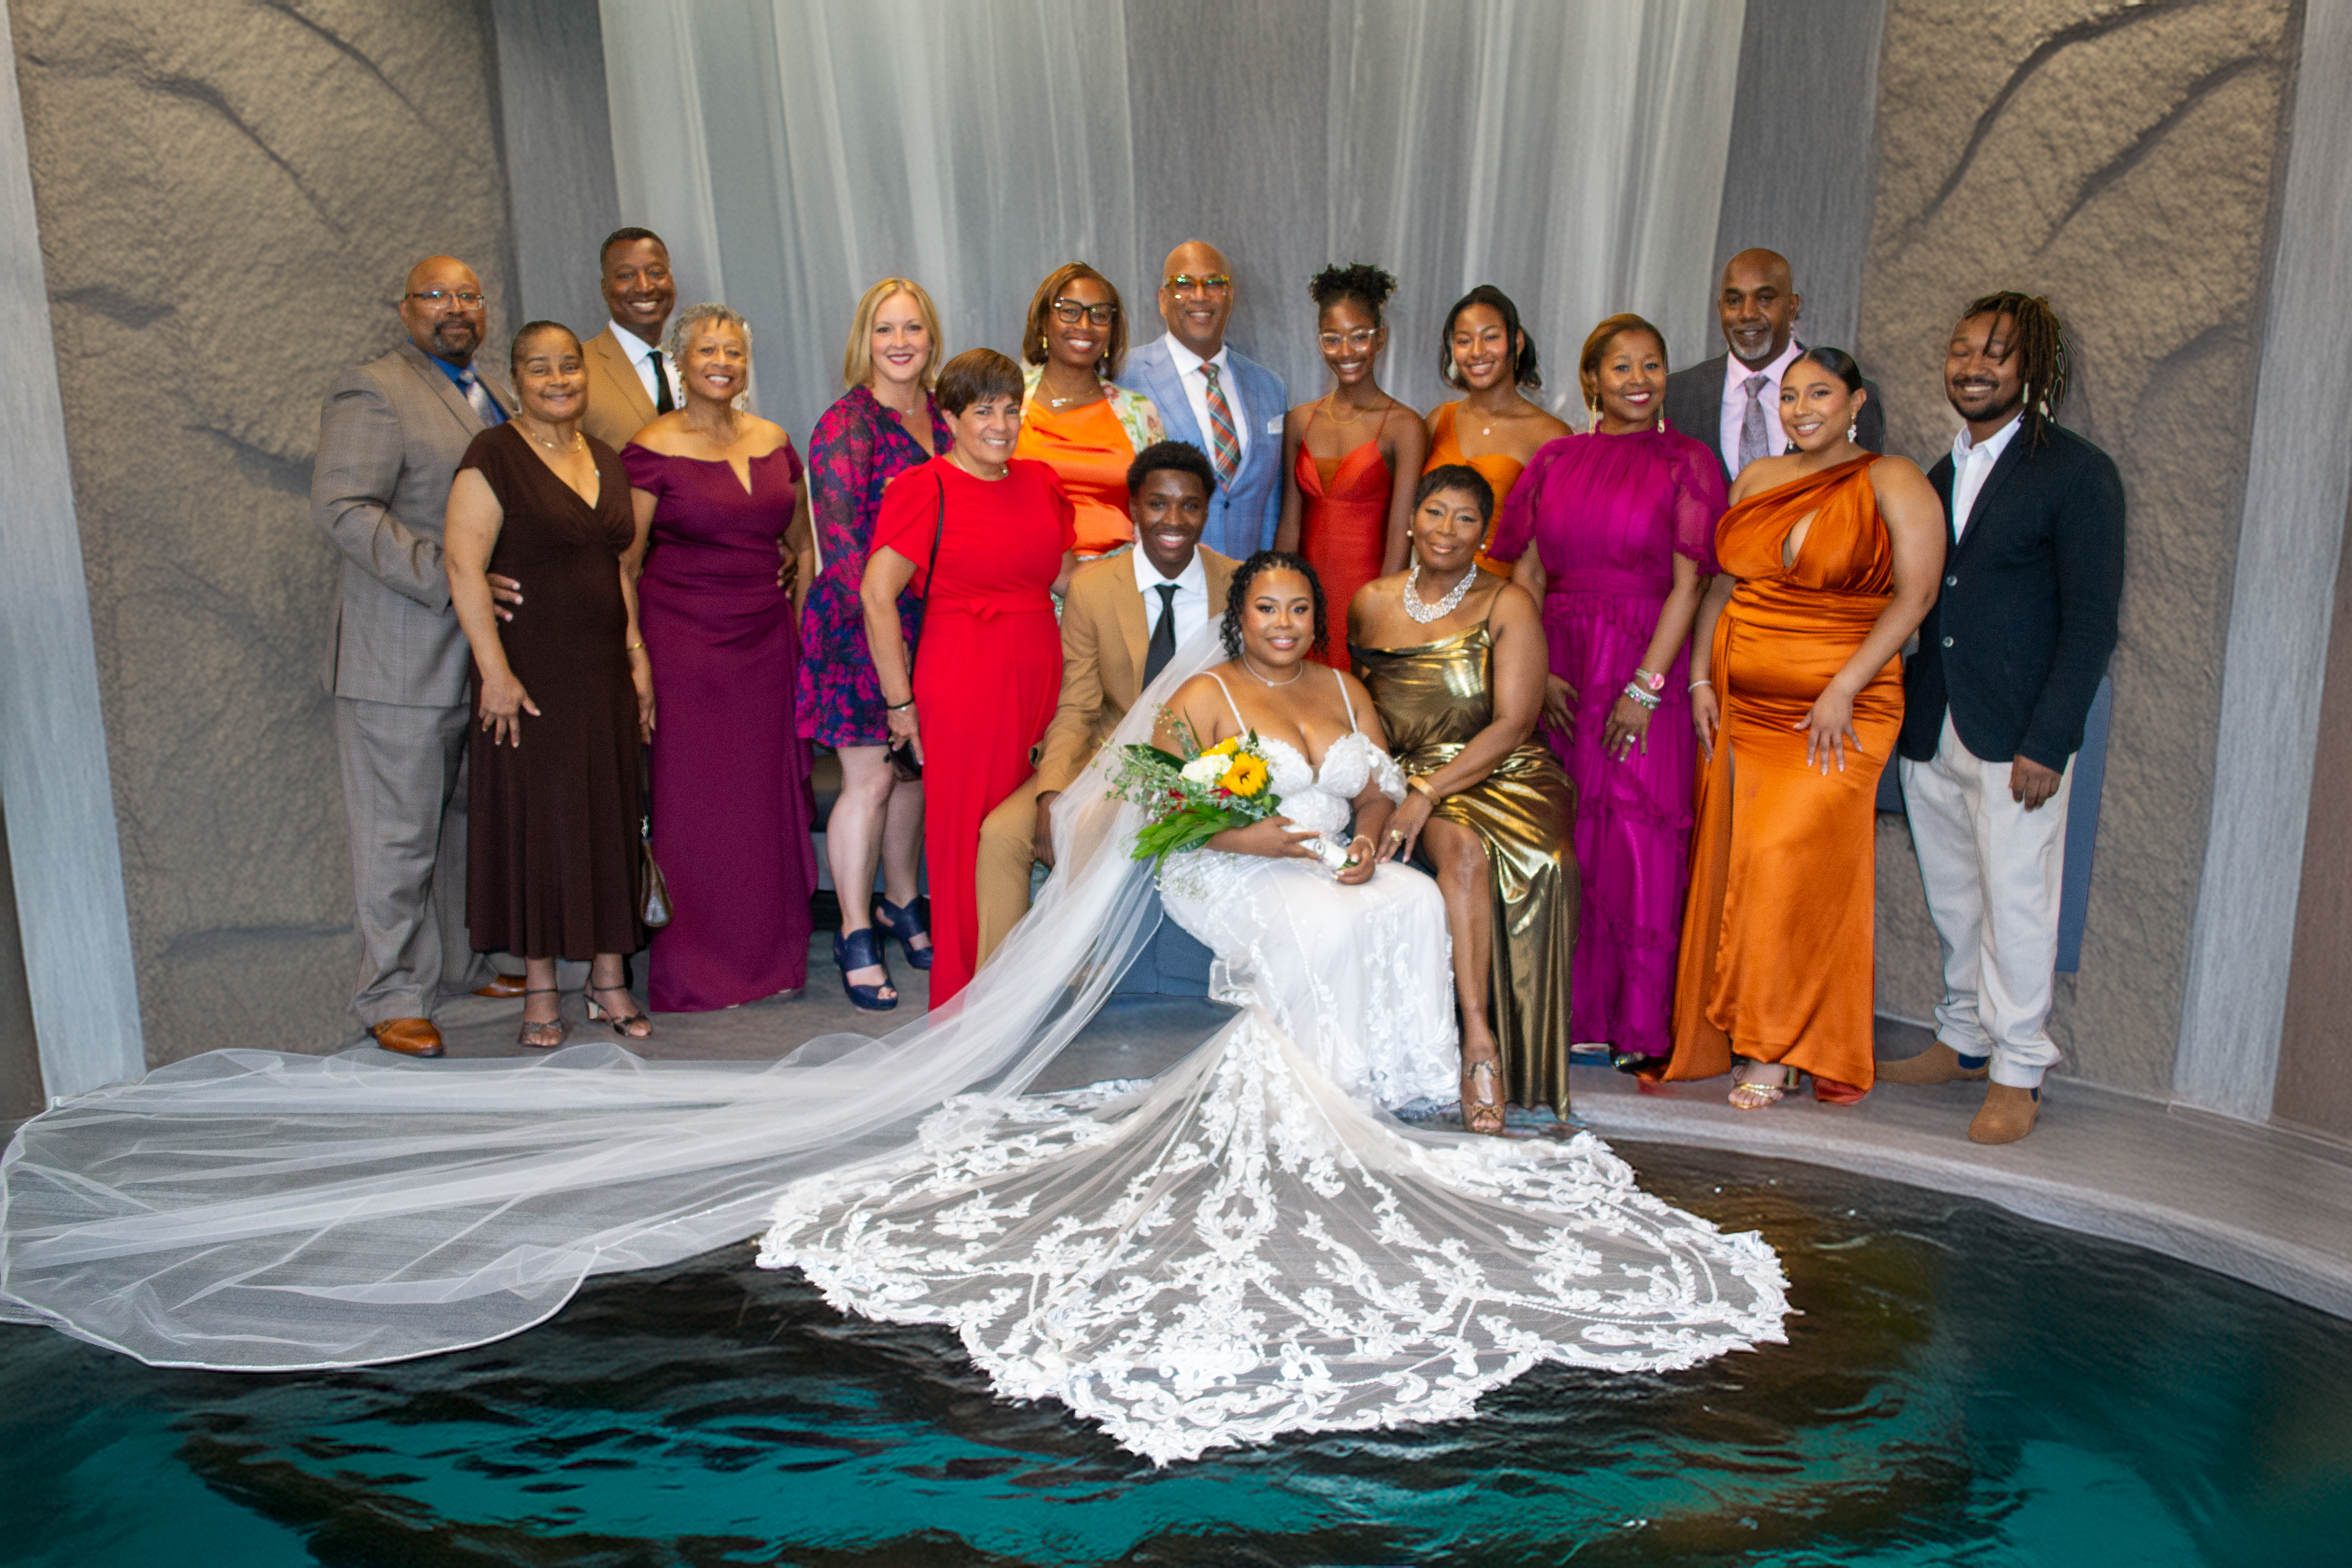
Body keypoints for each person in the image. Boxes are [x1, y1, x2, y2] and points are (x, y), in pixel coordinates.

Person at [0, 555, 1787, 1464]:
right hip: (1235, 863)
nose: (1274, 610)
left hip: (1330, 849)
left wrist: (1373, 814)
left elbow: (1380, 777)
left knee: (1399, 897)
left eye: (1283, 596)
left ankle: (1425, 1078)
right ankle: (1312, 1085)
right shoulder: (1199, 691)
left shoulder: (1331, 677)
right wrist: (1270, 823)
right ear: (1228, 608)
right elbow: (1158, 809)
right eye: (1257, 598)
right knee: (1327, 926)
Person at [1655, 348, 1945, 1106]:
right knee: (1744, 866)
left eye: (1820, 393)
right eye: (1789, 396)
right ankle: (1747, 1028)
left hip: (1841, 708)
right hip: (1741, 707)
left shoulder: (1894, 479)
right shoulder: (1756, 479)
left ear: (1857, 401)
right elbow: (1723, 586)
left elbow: (1914, 600)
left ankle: (1774, 1049)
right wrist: (1696, 678)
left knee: (1787, 862)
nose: (1802, 408)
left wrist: (1844, 686)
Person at [1878, 293, 2125, 1144]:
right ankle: (1961, 1036)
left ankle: (2019, 1068)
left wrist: (2047, 738)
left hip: (2016, 733)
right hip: (1934, 721)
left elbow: (2091, 620)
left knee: (2017, 898)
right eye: (1960, 350)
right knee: (1953, 893)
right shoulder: (1935, 471)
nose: (1972, 367)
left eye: (1995, 353)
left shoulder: (2076, 472)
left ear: (2031, 369)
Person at [1486, 314, 1725, 1070]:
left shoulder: (1691, 462)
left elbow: (1692, 585)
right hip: (1559, 667)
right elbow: (1523, 576)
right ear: (1593, 380)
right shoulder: (1555, 459)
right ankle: (1564, 1010)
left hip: (1641, 661)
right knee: (1563, 838)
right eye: (1620, 367)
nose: (1638, 380)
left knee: (1635, 841)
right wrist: (1536, 671)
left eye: (1652, 365)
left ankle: (1636, 1026)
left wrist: (1648, 689)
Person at [312, 255, 520, 1059]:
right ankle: (391, 993)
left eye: (470, 294)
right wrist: (454, 579)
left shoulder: (492, 393)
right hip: (400, 652)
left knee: (471, 818)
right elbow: (342, 508)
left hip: (481, 657)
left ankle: (470, 966)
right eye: (437, 296)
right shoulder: (375, 388)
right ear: (406, 311)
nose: (456, 307)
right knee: (397, 833)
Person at [444, 323, 654, 1047]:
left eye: (570, 366)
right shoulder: (493, 455)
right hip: (529, 674)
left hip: (602, 672)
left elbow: (617, 570)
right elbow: (462, 566)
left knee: (608, 817)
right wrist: (495, 672)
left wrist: (636, 654)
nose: (559, 378)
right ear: (516, 377)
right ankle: (540, 992)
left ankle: (607, 980)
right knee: (537, 827)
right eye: (541, 368)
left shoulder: (604, 458)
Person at [1355, 467, 1576, 1126]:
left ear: (1485, 533)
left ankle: (1490, 1049)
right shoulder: (1369, 601)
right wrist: (1384, 788)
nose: (1447, 531)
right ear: (1410, 520)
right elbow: (1361, 707)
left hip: (1503, 772)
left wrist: (1426, 793)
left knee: (1543, 861)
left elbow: (1513, 723)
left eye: (1466, 519)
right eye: (1435, 513)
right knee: (1465, 856)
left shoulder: (1507, 602)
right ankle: (1470, 1040)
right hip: (1408, 772)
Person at [863, 349, 1076, 1006]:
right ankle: (968, 999)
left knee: (1032, 830)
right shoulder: (922, 488)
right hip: (964, 680)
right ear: (950, 416)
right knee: (965, 842)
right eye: (984, 410)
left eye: (1012, 409)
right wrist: (901, 705)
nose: (1001, 424)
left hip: (1045, 677)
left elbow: (1072, 582)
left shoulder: (1041, 481)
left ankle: (1025, 983)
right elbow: (876, 596)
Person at [620, 304, 816, 1014]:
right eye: (708, 349)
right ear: (681, 360)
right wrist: (635, 653)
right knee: (694, 811)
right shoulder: (650, 446)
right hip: (683, 648)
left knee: (762, 805)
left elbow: (801, 543)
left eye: (734, 351)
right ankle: (698, 970)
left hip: (765, 645)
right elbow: (625, 562)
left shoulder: (775, 440)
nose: (723, 362)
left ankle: (770, 960)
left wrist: (798, 616)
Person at [974, 441, 1237, 964]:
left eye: (1190, 505)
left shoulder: (1236, 585)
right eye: (1158, 503)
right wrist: (1051, 792)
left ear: (1207, 510)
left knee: (1093, 822)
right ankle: (998, 998)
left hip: (1202, 768)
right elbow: (1077, 707)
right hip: (1107, 755)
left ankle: (1065, 974)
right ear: (1133, 508)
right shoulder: (1093, 589)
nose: (1174, 519)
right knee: (1001, 834)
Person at [800, 279, 952, 1011]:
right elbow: (846, 555)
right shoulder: (846, 427)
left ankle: (903, 901)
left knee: (913, 773)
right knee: (869, 780)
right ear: (866, 339)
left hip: (936, 626)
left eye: (913, 329)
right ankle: (856, 931)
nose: (900, 343)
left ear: (932, 339)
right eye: (886, 329)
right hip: (863, 628)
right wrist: (894, 674)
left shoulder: (944, 416)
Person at [1276, 263, 1427, 666]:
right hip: (1303, 599)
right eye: (1332, 339)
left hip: (1368, 598)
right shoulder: (1299, 420)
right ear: (1319, 341)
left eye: (1359, 337)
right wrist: (1278, 599)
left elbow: (1402, 534)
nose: (1346, 352)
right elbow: (1290, 524)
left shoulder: (1404, 426)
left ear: (1381, 338)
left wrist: (1382, 612)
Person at [1118, 240, 1288, 560]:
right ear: (1163, 299)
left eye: (1214, 284)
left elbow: (1272, 505)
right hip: (1159, 589)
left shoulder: (1269, 388)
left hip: (1246, 588)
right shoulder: (1123, 377)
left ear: (1229, 296)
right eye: (1183, 284)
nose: (1200, 295)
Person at [1662, 249, 1886, 487]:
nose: (1747, 314)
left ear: (1792, 306)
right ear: (1720, 309)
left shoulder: (1849, 395)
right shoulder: (1675, 395)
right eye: (1734, 301)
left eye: (1765, 299)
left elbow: (1867, 500)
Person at [1016, 262, 1163, 559]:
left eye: (1099, 315)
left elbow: (1159, 507)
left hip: (1118, 585)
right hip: (1023, 580)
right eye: (1069, 310)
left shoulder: (1138, 412)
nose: (1085, 326)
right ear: (1044, 320)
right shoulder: (1007, 399)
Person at [1421, 285, 1572, 562]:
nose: (1477, 352)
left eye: (1491, 337)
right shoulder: (1437, 420)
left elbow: (1552, 550)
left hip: (1502, 598)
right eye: (1464, 341)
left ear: (1517, 341)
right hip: (1429, 595)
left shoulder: (1551, 436)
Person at [579, 227, 683, 451]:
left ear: (672, 281)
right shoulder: (577, 369)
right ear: (605, 289)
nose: (644, 287)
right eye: (626, 276)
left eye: (656, 273)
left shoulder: (701, 362)